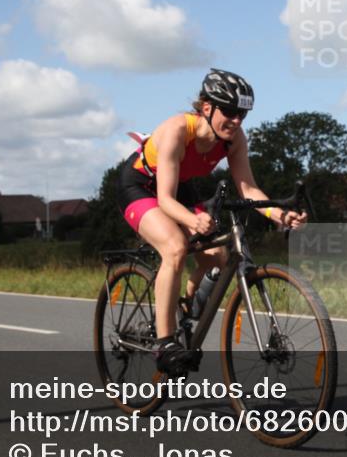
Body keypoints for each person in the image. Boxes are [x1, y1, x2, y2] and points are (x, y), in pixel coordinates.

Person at [117, 69, 307, 374]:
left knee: (218, 255)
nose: (237, 121)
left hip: (180, 186)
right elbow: (165, 199)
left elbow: (248, 189)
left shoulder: (234, 140)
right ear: (207, 107)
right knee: (175, 247)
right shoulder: (178, 130)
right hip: (141, 185)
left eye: (242, 114)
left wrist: (279, 214)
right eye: (229, 112)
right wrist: (192, 221)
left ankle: (186, 306)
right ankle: (164, 345)